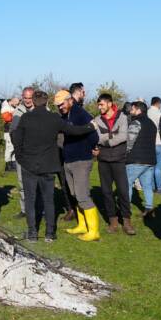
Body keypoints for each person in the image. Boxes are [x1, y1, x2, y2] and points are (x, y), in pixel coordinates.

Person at [10, 90, 95, 241]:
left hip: (29, 165)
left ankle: (32, 233)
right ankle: (50, 233)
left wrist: (20, 157)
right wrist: (90, 127)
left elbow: (16, 137)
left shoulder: (25, 118)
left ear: (33, 102)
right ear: (47, 102)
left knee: (30, 200)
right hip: (48, 164)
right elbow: (73, 130)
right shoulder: (54, 118)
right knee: (48, 200)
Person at [57, 90, 101, 241]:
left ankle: (94, 231)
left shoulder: (81, 114)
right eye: (57, 105)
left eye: (61, 104)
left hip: (81, 160)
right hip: (68, 160)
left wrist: (88, 148)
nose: (59, 107)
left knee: (82, 195)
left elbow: (94, 134)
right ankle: (82, 225)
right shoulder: (64, 115)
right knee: (75, 194)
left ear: (70, 100)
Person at [90, 93, 134, 235]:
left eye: (101, 104)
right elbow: (96, 137)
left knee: (123, 191)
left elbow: (123, 136)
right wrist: (109, 138)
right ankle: (112, 220)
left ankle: (126, 221)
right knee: (106, 192)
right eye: (98, 104)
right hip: (103, 160)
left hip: (119, 160)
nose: (99, 107)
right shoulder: (97, 120)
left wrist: (106, 140)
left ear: (110, 104)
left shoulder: (122, 117)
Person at [125, 101, 159, 224]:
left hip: (136, 159)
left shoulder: (136, 123)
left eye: (132, 109)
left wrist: (124, 154)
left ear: (138, 109)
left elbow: (129, 141)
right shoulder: (152, 124)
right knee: (147, 186)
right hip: (150, 160)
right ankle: (149, 208)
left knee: (126, 183)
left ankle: (125, 209)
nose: (130, 111)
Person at [10, 87, 36, 216]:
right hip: (22, 154)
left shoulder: (42, 110)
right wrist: (18, 148)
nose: (27, 100)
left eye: (30, 98)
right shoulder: (17, 112)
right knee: (22, 183)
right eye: (25, 98)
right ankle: (24, 209)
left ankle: (38, 208)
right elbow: (12, 131)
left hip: (37, 154)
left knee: (37, 182)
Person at [147, 97, 161, 195]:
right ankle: (159, 187)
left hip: (149, 142)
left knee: (151, 166)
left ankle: (152, 186)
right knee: (159, 166)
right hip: (157, 141)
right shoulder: (159, 114)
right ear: (158, 103)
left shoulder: (147, 113)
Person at [1, 96, 18, 172]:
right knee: (9, 148)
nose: (17, 105)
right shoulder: (5, 107)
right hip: (8, 131)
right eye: (16, 103)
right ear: (12, 101)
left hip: (13, 130)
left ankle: (13, 164)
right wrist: (14, 114)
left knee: (14, 148)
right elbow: (6, 118)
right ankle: (8, 165)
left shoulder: (11, 107)